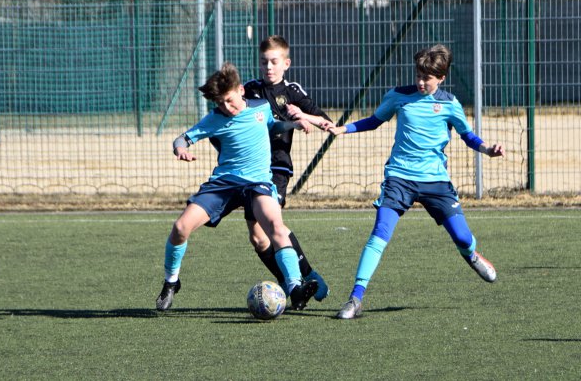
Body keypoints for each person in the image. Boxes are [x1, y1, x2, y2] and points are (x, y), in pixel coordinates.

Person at [327, 44, 505, 320]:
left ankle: (471, 255)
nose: (421, 82)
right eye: (419, 75)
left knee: (462, 237)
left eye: (428, 78)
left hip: (436, 181)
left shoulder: (450, 104)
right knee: (380, 233)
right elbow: (375, 121)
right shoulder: (399, 96)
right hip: (399, 177)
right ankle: (355, 298)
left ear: (441, 78)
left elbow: (468, 136)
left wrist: (487, 149)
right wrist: (344, 128)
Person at [155, 62, 319, 312]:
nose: (226, 107)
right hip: (224, 183)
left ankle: (295, 288)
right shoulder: (214, 118)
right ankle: (171, 282)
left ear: (241, 90)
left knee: (275, 226)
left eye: (229, 100)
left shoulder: (261, 108)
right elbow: (182, 138)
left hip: (258, 182)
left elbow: (272, 126)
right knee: (180, 228)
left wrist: (293, 125)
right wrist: (181, 149)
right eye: (220, 103)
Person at [244, 35, 334, 302]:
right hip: (250, 169)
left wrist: (302, 116)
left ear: (286, 63)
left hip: (276, 168)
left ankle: (301, 283)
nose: (268, 67)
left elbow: (326, 122)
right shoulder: (249, 90)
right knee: (258, 238)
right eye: (263, 62)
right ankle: (292, 280)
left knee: (274, 225)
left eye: (273, 62)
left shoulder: (292, 91)